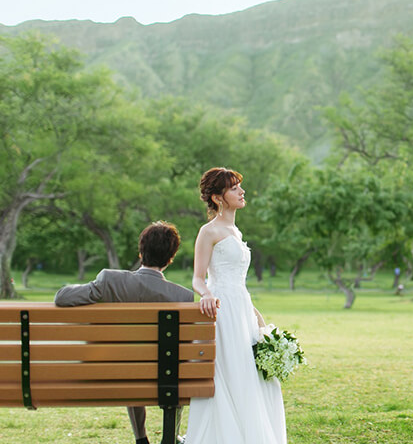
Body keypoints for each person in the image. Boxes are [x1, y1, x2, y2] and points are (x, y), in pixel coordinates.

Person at [55, 221, 193, 444]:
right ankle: (169, 436)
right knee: (169, 369)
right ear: (170, 258)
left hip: (117, 371)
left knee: (132, 362)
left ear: (141, 252)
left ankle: (141, 438)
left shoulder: (110, 281)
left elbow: (61, 297)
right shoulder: (182, 297)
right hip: (165, 376)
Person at [184, 167, 287, 444]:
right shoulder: (209, 231)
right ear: (218, 198)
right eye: (234, 188)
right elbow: (198, 277)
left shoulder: (236, 231)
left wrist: (257, 316)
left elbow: (238, 282)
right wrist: (206, 294)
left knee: (253, 375)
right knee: (230, 372)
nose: (242, 192)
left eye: (240, 186)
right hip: (222, 309)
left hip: (242, 308)